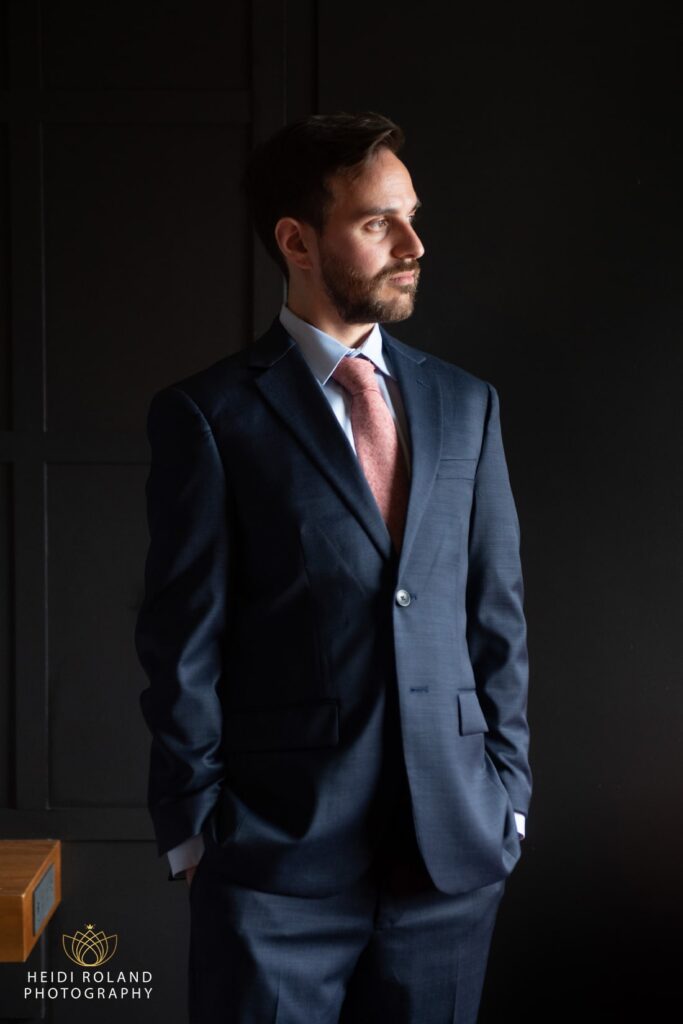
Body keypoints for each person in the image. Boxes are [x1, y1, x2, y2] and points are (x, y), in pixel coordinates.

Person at [136, 111, 531, 1024]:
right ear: (296, 241)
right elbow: (180, 635)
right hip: (274, 866)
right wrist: (197, 830)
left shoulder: (466, 404)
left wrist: (507, 796)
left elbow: (494, 612)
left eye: (411, 216)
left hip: (452, 862)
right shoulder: (209, 415)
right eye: (375, 222)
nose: (413, 244)